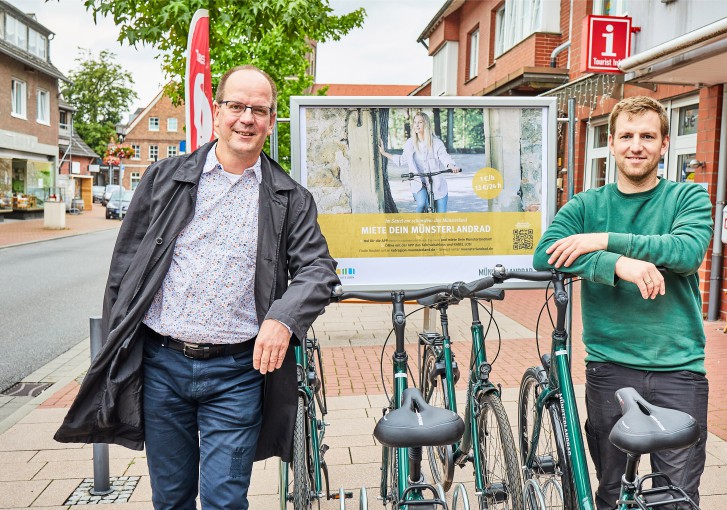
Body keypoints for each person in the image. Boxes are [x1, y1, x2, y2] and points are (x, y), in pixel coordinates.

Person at [54, 64, 340, 509]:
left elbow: (318, 269)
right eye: (237, 106)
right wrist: (117, 343)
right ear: (217, 110)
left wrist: (283, 320)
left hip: (238, 373)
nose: (247, 118)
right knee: (171, 499)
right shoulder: (164, 178)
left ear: (271, 119)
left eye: (259, 110)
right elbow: (124, 270)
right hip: (162, 366)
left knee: (225, 501)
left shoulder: (290, 198)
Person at [533, 96, 713, 509]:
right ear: (612, 143)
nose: (637, 146)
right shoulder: (586, 205)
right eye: (627, 136)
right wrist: (618, 265)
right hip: (609, 368)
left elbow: (685, 252)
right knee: (612, 493)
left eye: (648, 136)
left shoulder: (687, 199)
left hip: (679, 369)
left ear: (664, 144)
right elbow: (545, 254)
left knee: (675, 498)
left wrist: (604, 241)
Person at [377, 111, 461, 213]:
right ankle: (419, 227)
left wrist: (451, 166)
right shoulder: (410, 143)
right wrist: (383, 153)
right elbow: (401, 160)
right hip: (418, 182)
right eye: (415, 122)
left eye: (420, 122)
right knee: (422, 204)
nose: (416, 125)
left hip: (437, 184)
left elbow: (444, 157)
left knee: (441, 217)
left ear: (426, 124)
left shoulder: (436, 143)